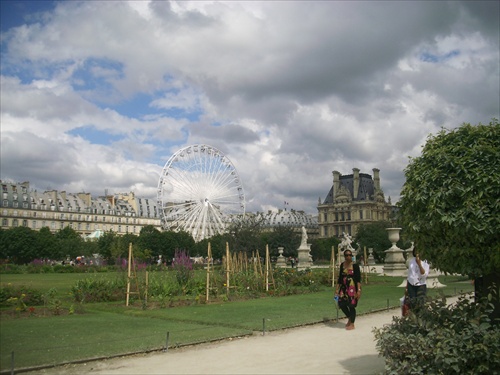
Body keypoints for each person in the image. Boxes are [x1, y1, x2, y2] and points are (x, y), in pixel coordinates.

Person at [335, 250, 362, 330]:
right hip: (344, 288)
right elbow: (340, 278)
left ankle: (352, 323)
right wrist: (337, 289)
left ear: (352, 256)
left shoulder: (355, 266)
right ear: (344, 256)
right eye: (346, 255)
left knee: (351, 305)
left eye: (350, 255)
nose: (348, 257)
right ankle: (350, 318)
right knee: (342, 304)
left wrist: (359, 290)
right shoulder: (342, 265)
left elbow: (358, 279)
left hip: (352, 288)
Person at [406, 245, 430, 311]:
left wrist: (419, 264)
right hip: (411, 284)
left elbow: (424, 275)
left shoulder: (425, 262)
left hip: (421, 284)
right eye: (416, 251)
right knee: (412, 303)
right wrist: (406, 287)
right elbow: (410, 274)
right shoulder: (411, 261)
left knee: (420, 303)